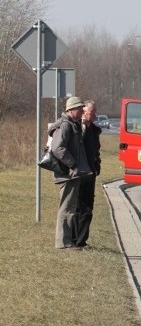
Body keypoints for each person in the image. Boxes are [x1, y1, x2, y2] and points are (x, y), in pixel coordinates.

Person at [48, 96, 92, 250]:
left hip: (72, 173)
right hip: (68, 174)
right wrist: (73, 164)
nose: (82, 112)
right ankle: (63, 243)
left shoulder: (73, 124)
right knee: (66, 208)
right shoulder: (65, 125)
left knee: (70, 208)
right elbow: (57, 148)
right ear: (71, 110)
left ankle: (68, 242)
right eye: (80, 109)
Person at [75, 100, 102, 248]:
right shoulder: (80, 128)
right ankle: (76, 240)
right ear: (84, 113)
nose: (95, 114)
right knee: (79, 207)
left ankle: (82, 240)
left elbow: (95, 150)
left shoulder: (94, 130)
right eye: (92, 112)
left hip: (90, 173)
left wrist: (97, 164)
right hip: (80, 174)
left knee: (88, 208)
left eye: (95, 111)